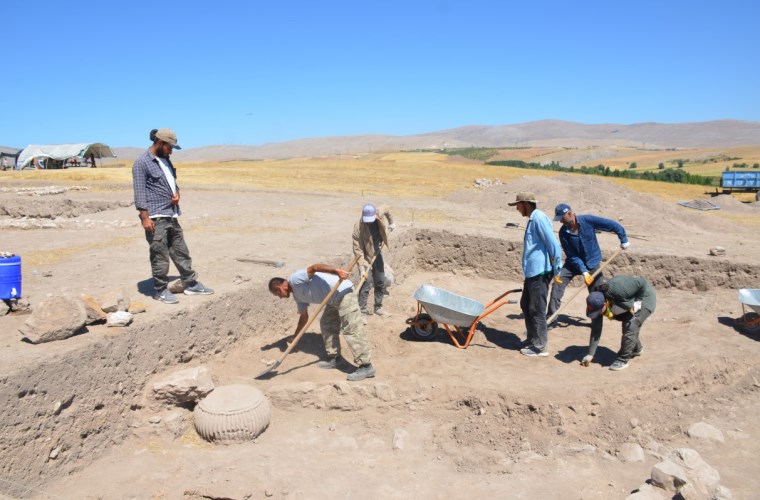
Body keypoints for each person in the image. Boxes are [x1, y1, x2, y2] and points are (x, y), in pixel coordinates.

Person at [132, 128, 213, 304]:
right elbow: (139, 192)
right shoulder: (142, 163)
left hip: (171, 214)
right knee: (159, 255)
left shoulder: (165, 160)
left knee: (181, 251)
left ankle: (190, 283)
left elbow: (171, 182)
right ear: (160, 143)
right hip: (155, 217)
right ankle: (160, 290)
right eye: (169, 147)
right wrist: (145, 218)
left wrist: (177, 193)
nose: (171, 152)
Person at [268, 263, 376, 381]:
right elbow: (304, 317)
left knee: (351, 329)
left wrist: (337, 271)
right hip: (332, 299)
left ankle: (366, 366)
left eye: (277, 294)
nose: (280, 297)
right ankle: (335, 358)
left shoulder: (294, 279)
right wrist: (295, 336)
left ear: (278, 288)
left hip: (343, 292)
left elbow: (315, 268)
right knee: (326, 324)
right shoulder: (298, 297)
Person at [547, 203, 629, 330]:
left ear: (570, 214)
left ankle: (596, 321)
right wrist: (584, 272)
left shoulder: (588, 220)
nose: (561, 222)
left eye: (562, 218)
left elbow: (612, 225)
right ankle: (551, 318)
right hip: (573, 264)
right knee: (558, 283)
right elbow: (572, 255)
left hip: (592, 262)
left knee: (597, 293)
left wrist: (623, 239)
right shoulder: (563, 233)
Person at [508, 192, 562, 357]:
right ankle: (532, 339)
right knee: (526, 304)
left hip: (540, 272)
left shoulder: (538, 218)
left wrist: (557, 267)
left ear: (525, 203)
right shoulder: (533, 218)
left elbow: (553, 243)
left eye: (518, 205)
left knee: (537, 309)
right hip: (533, 271)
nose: (517, 209)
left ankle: (540, 346)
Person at [585, 276, 656, 371]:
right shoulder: (596, 302)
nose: (599, 314)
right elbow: (596, 329)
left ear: (605, 304)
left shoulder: (618, 288)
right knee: (626, 322)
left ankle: (623, 360)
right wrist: (590, 354)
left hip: (645, 297)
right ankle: (636, 349)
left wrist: (638, 303)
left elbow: (641, 282)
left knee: (631, 324)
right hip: (628, 301)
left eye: (599, 311)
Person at [352, 203, 395, 318]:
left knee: (380, 280)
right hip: (365, 255)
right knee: (366, 282)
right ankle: (362, 312)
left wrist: (391, 222)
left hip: (377, 251)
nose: (369, 222)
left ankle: (378, 307)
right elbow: (358, 249)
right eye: (367, 220)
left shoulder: (379, 213)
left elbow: (387, 208)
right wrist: (362, 269)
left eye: (371, 219)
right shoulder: (358, 227)